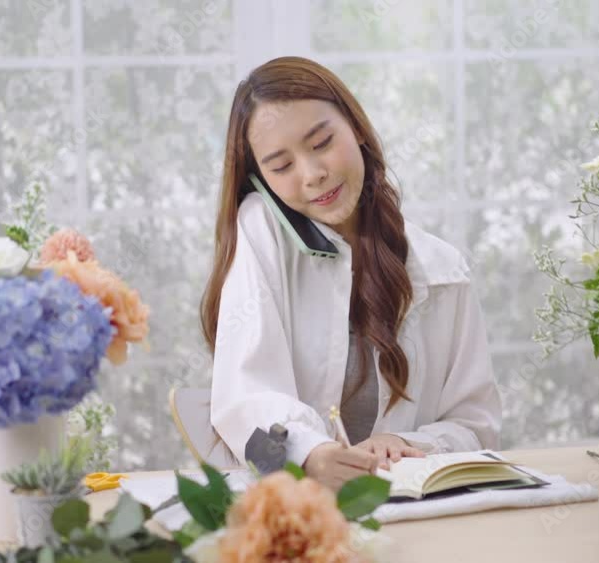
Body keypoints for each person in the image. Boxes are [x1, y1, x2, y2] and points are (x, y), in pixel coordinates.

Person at [200, 56, 501, 491]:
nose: (313, 175)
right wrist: (309, 455)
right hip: (300, 510)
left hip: (414, 513)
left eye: (322, 142)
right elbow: (241, 407)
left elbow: (479, 429)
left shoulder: (443, 271)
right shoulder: (260, 229)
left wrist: (407, 443)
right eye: (281, 167)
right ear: (260, 178)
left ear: (356, 127)